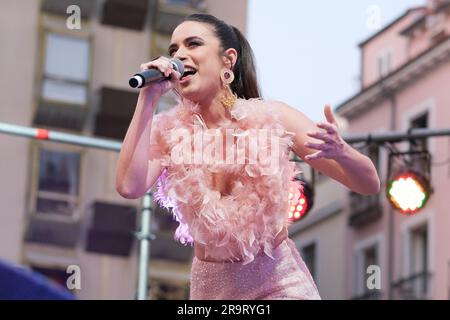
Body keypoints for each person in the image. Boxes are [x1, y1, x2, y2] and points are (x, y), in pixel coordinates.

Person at [116, 13, 380, 300]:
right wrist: (148, 98)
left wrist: (343, 154)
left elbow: (369, 184)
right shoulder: (167, 132)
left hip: (279, 283)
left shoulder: (273, 118)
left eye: (193, 44)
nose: (180, 55)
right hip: (211, 290)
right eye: (174, 50)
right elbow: (129, 186)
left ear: (227, 60)